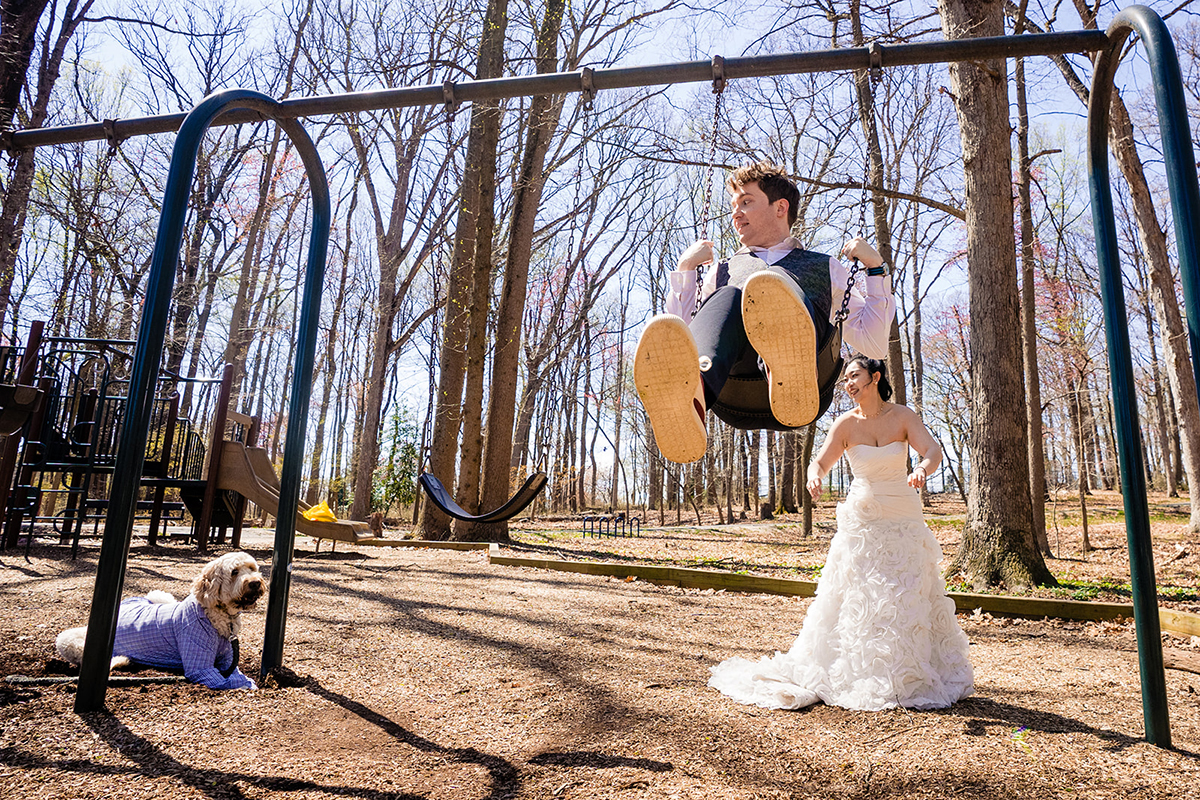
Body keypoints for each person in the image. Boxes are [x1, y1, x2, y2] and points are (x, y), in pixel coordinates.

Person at [707, 356, 973, 711]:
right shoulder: (845, 425)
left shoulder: (903, 417)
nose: (848, 383)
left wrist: (923, 469)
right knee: (864, 595)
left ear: (875, 378)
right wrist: (813, 475)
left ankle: (906, 674)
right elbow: (819, 462)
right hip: (864, 521)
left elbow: (933, 451)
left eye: (855, 376)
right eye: (845, 378)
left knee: (906, 594)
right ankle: (864, 672)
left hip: (904, 515)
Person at [634, 160, 896, 464]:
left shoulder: (825, 267)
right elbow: (683, 339)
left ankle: (787, 369)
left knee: (777, 284)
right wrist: (685, 270)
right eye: (734, 205)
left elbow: (874, 344)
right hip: (734, 394)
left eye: (746, 202)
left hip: (808, 389)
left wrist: (876, 270)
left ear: (780, 208)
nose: (735, 213)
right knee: (731, 295)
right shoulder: (720, 271)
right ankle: (694, 400)